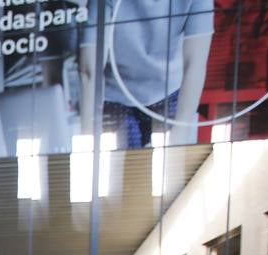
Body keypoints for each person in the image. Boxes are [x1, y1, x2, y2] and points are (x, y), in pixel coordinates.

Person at [80, 0, 214, 149]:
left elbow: (89, 70)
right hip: (121, 96)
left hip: (162, 92)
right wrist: (87, 137)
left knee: (133, 167)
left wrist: (180, 134)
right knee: (135, 166)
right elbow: (90, 70)